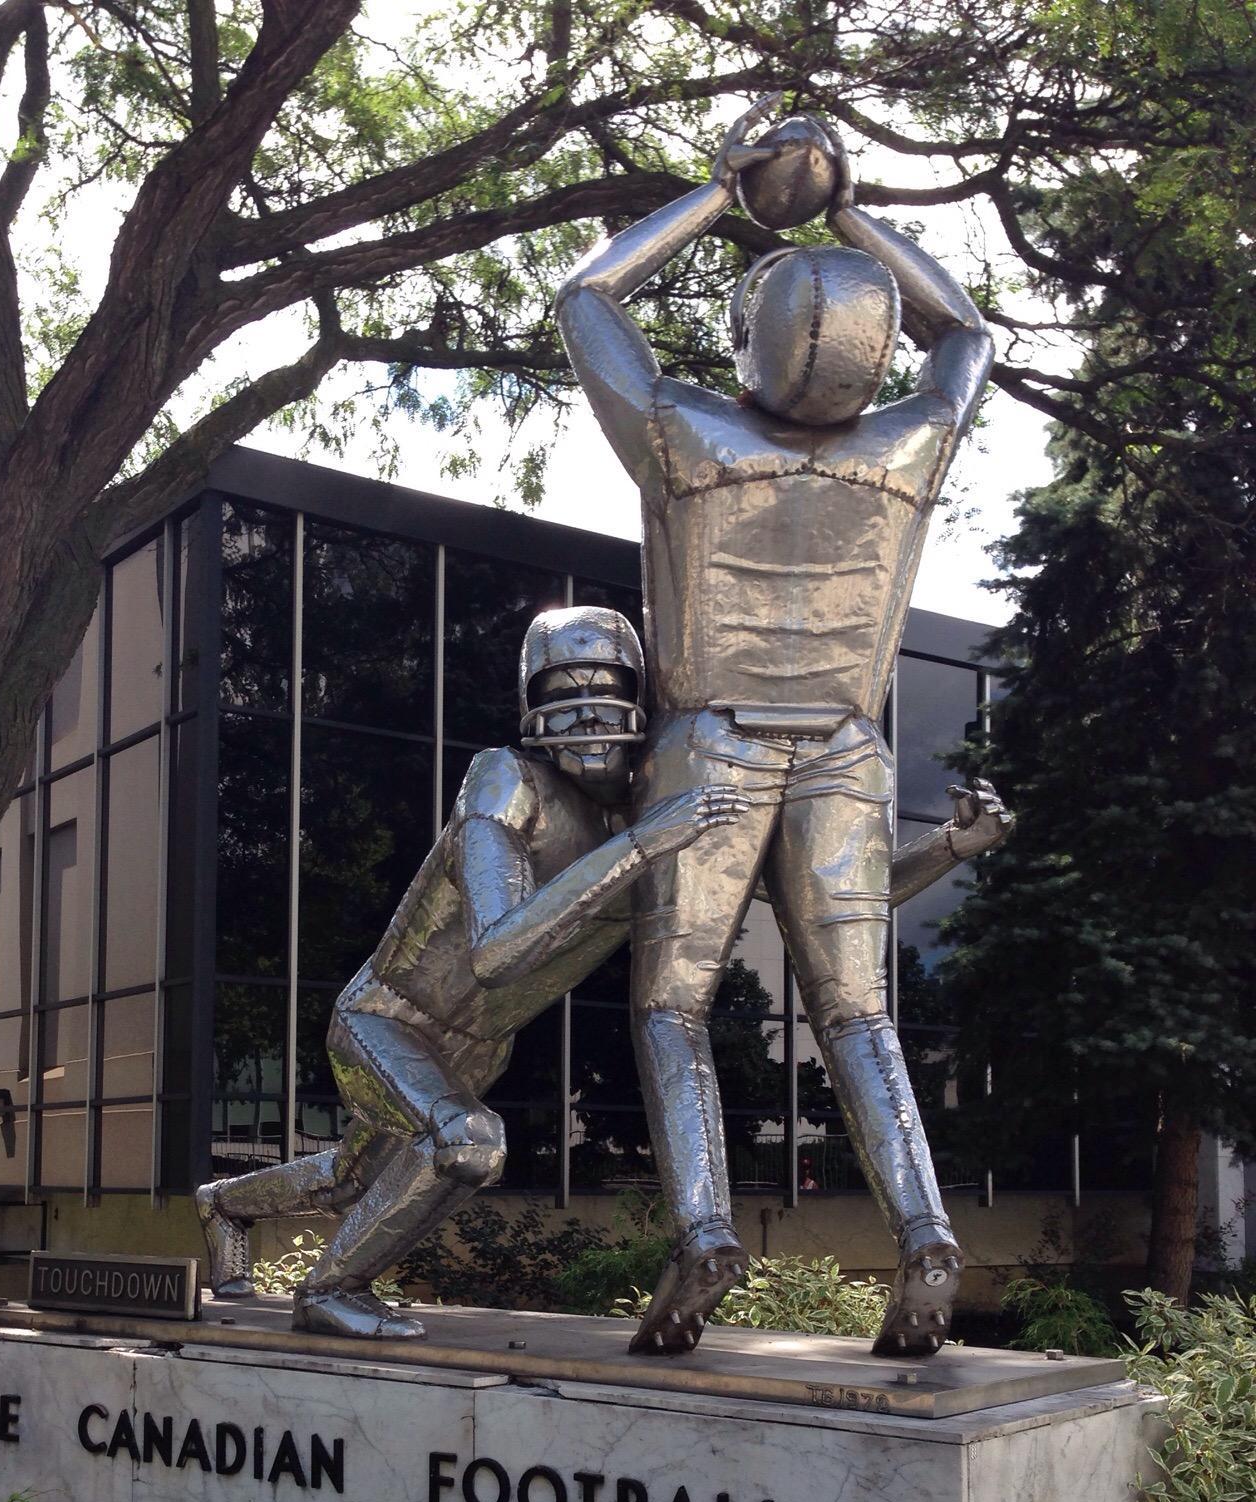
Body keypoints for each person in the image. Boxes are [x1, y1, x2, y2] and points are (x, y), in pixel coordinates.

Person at [556, 97, 996, 1359]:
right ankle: (922, 1230)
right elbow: (965, 330)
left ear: (757, 344)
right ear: (869, 352)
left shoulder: (689, 433)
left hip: (714, 742)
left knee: (673, 1008)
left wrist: (723, 192)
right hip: (846, 749)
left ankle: (702, 1228)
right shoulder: (909, 449)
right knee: (860, 1015)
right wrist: (842, 198)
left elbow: (586, 301)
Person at [195, 607, 751, 1339]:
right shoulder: (505, 780)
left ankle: (224, 1203)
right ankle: (330, 1288)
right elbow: (495, 953)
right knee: (467, 1141)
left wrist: (949, 847)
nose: (584, 712)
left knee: (351, 1179)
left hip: (478, 1046)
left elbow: (809, 896)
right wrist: (645, 845)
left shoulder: (654, 818)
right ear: (532, 706)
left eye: (602, 686)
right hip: (386, 1020)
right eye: (561, 692)